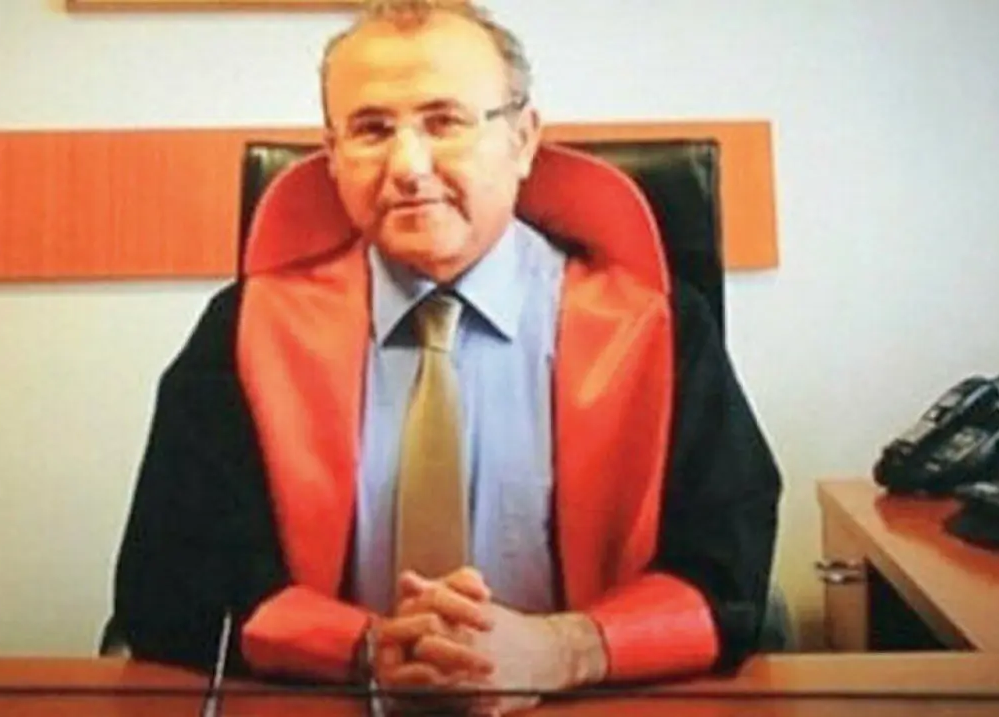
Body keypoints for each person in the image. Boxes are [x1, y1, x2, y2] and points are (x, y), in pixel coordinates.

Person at [112, 0, 781, 713]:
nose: (408, 166)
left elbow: (726, 579)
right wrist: (367, 648)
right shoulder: (250, 328)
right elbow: (174, 582)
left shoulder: (652, 326)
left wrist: (563, 650)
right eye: (371, 129)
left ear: (522, 139)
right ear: (331, 155)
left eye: (445, 121)